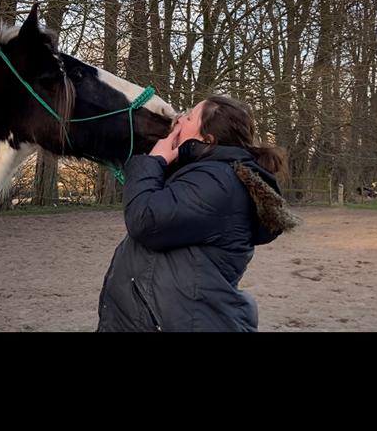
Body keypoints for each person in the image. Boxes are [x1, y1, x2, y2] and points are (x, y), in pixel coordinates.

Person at [96, 94, 297, 332]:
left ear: (207, 139)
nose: (179, 119)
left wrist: (154, 161)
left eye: (189, 116)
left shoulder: (219, 182)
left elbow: (145, 219)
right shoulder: (203, 176)